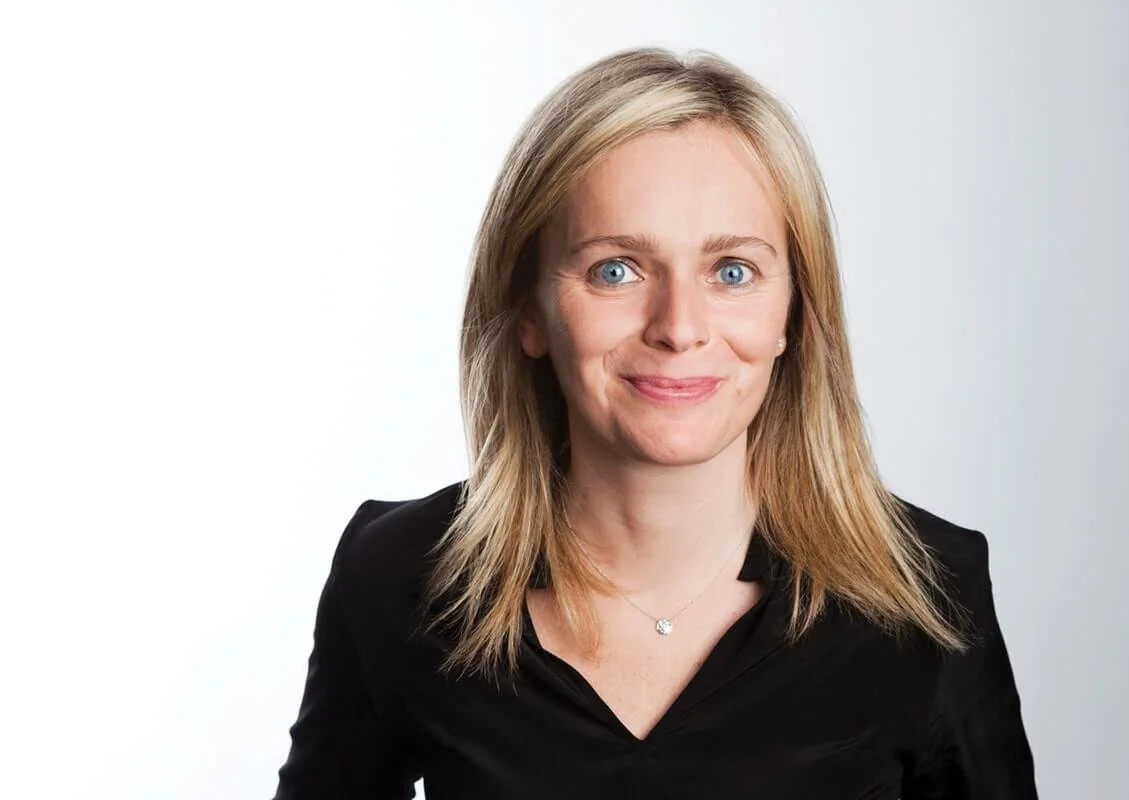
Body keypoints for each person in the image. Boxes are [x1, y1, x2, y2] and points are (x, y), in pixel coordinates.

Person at [273, 47, 1037, 798]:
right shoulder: (398, 576)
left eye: (731, 271)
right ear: (528, 309)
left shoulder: (928, 594)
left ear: (793, 315)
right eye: (616, 269)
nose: (678, 327)